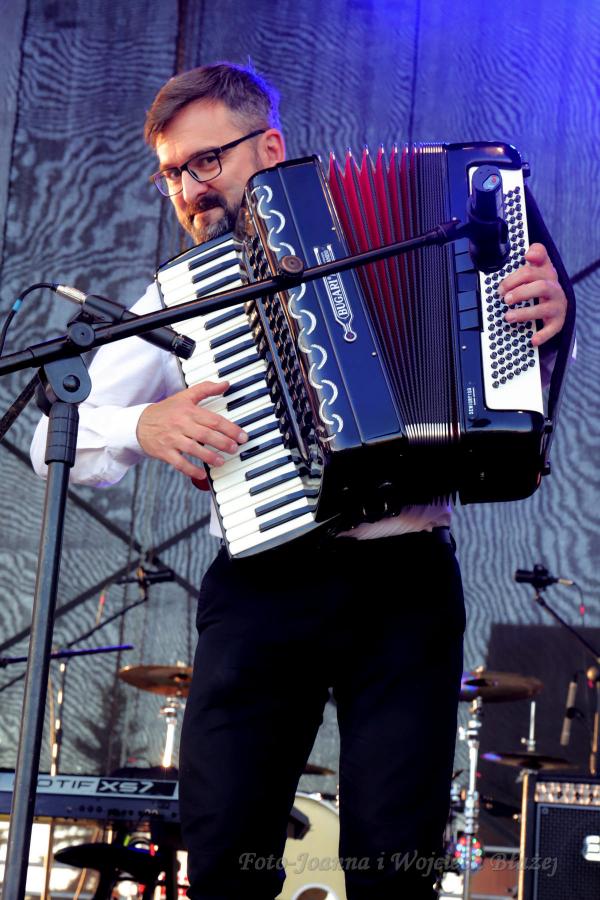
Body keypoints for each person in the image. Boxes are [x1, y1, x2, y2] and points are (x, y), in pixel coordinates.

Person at [31, 63, 570, 899]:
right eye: (172, 174)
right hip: (261, 589)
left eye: (206, 162)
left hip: (404, 582)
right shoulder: (183, 295)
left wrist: (543, 319)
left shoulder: (431, 230)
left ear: (270, 148)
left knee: (395, 861)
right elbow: (51, 437)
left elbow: (505, 375)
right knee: (224, 850)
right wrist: (142, 424)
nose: (190, 191)